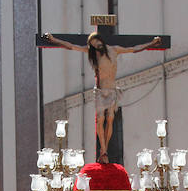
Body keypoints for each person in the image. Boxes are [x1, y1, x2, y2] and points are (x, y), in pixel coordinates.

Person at [42, 31, 160, 163]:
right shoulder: (93, 53)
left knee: (110, 118)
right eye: (92, 45)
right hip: (100, 91)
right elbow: (71, 46)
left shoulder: (114, 50)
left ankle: (104, 150)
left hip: (111, 90)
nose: (96, 46)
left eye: (96, 42)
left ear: (100, 40)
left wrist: (152, 43)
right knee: (100, 119)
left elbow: (133, 49)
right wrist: (53, 40)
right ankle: (103, 150)